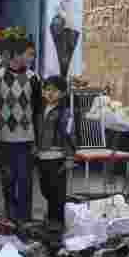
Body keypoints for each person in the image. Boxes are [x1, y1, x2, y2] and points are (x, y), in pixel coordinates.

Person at [0, 52, 41, 224]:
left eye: (27, 55)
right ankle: (10, 216)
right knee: (7, 179)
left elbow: (38, 110)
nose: (26, 58)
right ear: (9, 56)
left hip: (26, 137)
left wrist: (37, 141)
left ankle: (24, 218)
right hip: (4, 137)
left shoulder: (33, 78)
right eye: (22, 54)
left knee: (25, 179)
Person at [35, 76, 77, 230]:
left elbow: (70, 135)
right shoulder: (40, 110)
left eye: (54, 90)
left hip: (57, 157)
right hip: (42, 157)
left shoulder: (65, 113)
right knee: (45, 189)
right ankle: (51, 218)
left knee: (57, 193)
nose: (50, 93)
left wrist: (70, 158)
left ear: (63, 93)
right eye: (47, 90)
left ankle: (57, 222)